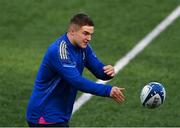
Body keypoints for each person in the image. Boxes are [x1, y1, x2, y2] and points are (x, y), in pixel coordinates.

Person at [26, 12, 125, 127]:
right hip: (44, 115)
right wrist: (107, 90)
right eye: (85, 33)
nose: (89, 38)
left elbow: (99, 70)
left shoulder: (83, 47)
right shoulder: (60, 51)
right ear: (73, 31)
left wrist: (108, 72)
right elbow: (77, 81)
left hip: (58, 115)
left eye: (91, 34)